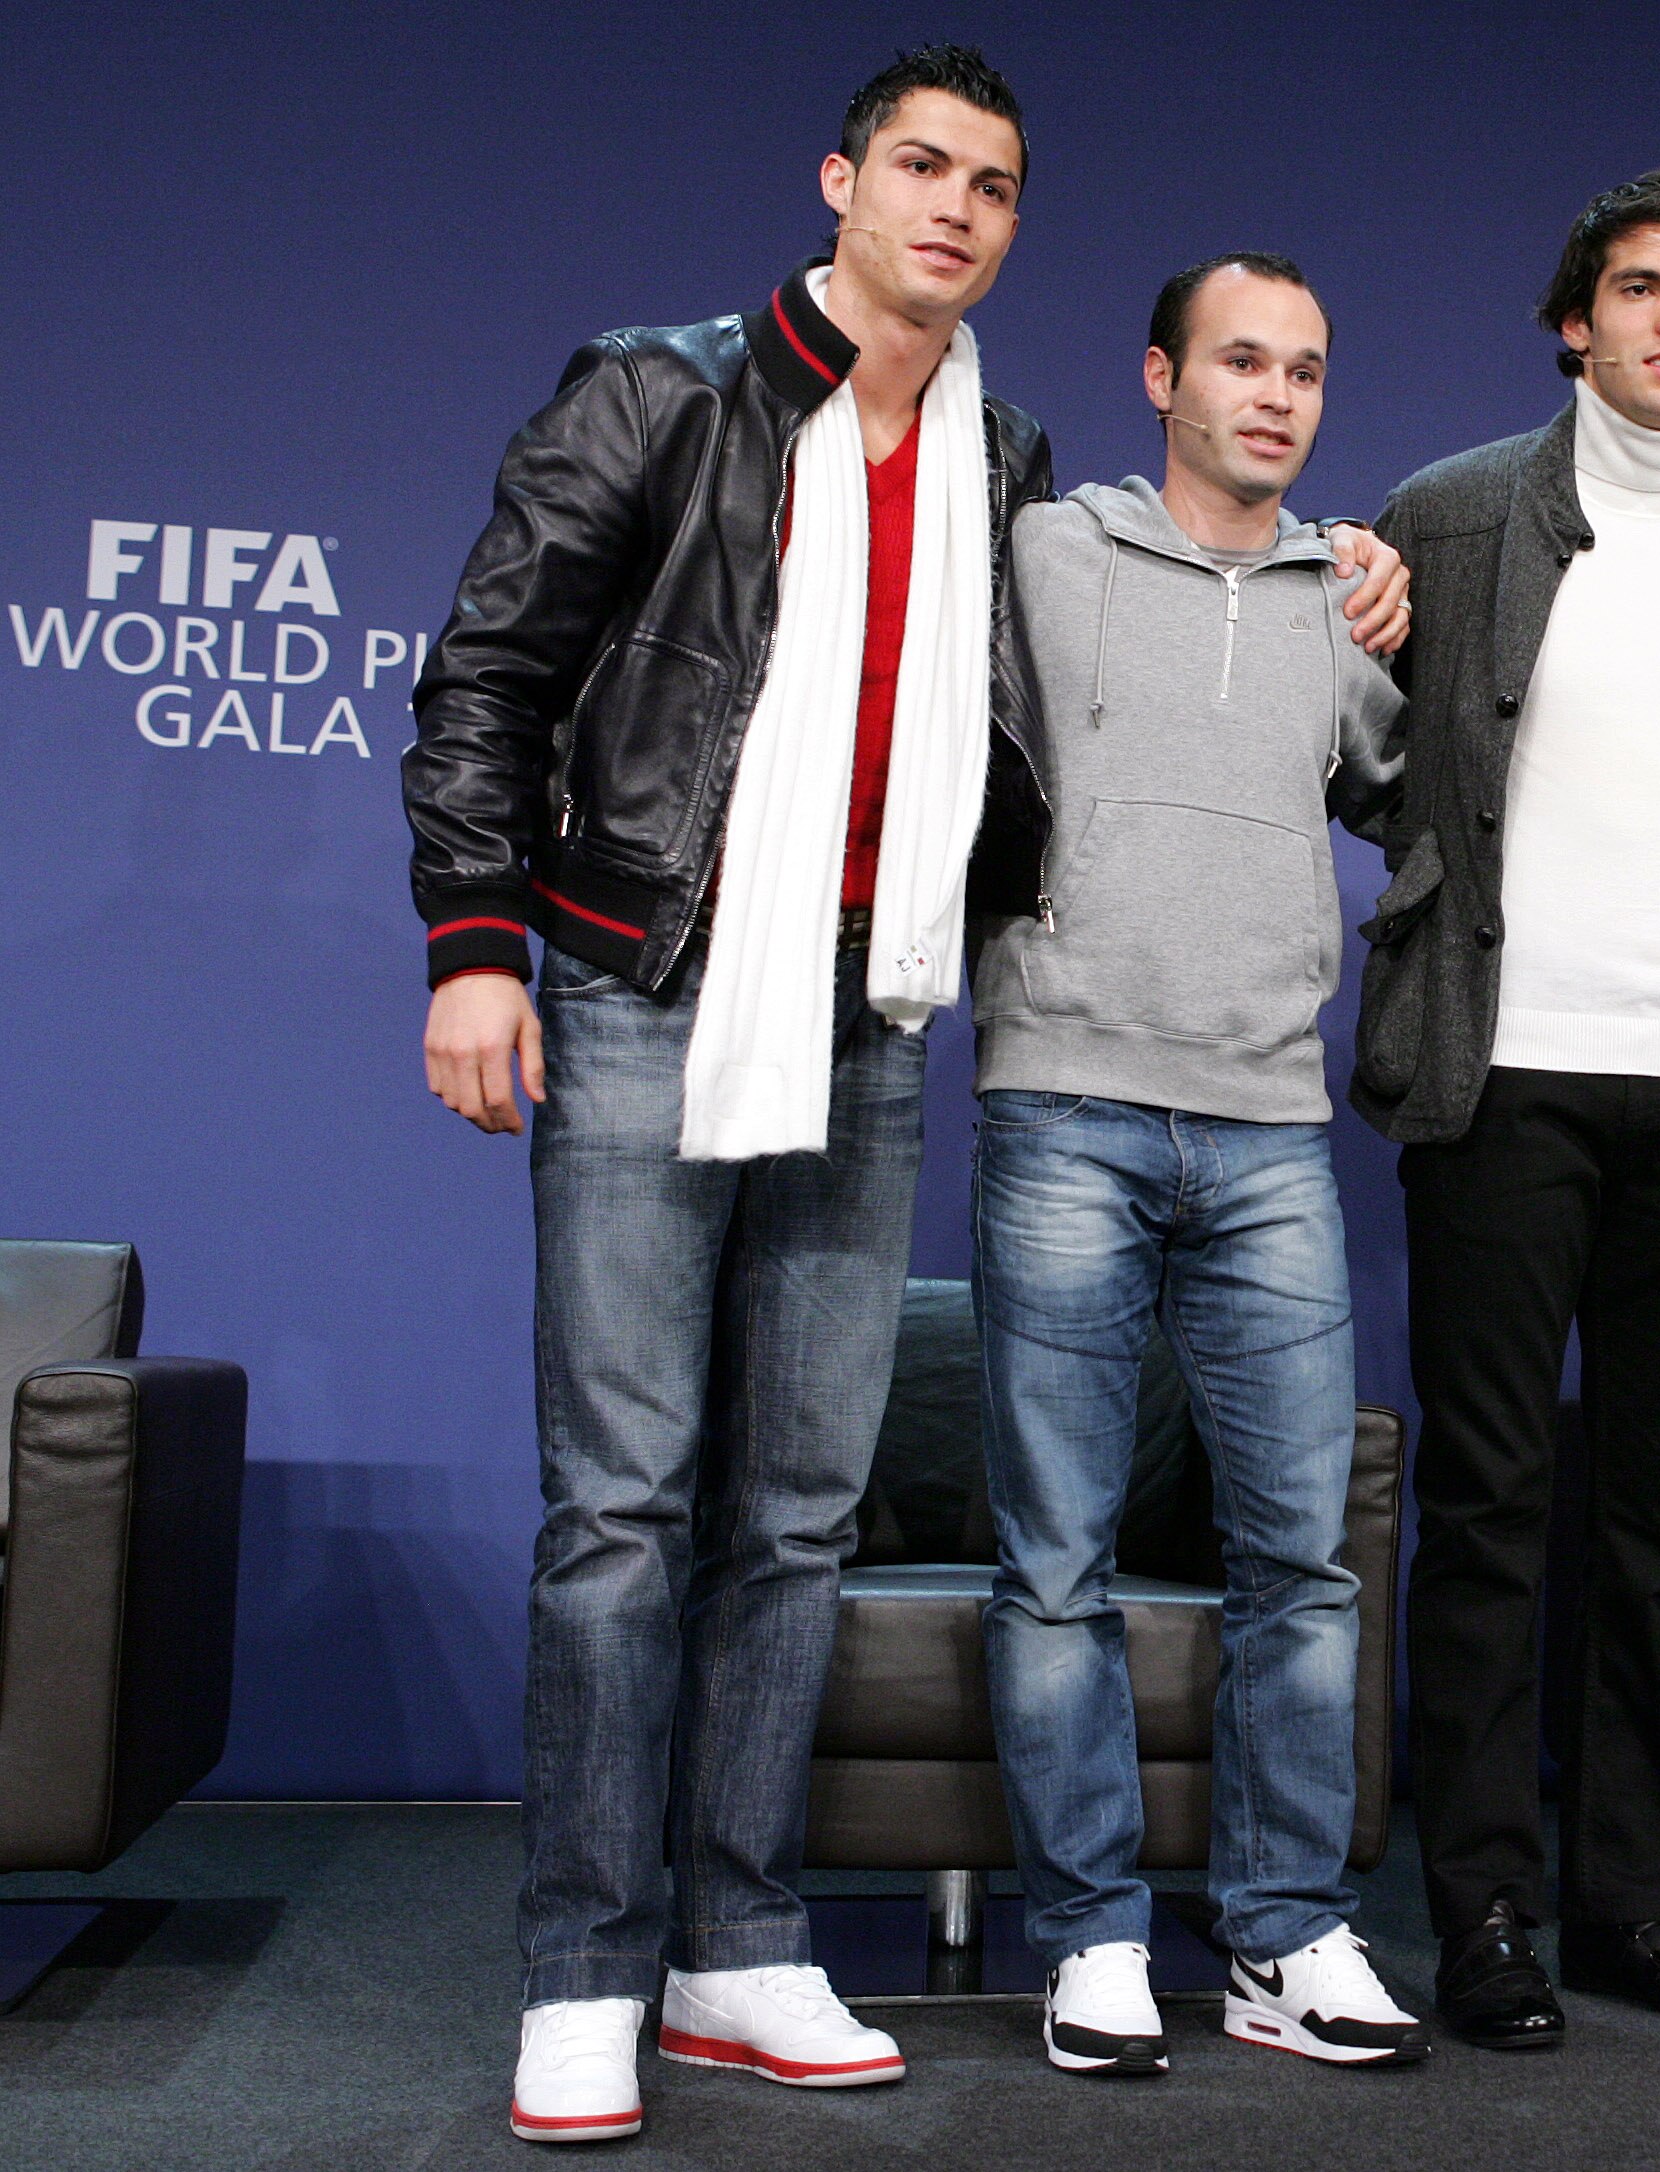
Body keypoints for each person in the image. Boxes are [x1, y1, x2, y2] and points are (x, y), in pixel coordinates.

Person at [404, 50, 1403, 2142]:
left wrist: (1361, 577)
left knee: (790, 1516)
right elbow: (493, 669)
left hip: (873, 1018)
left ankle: (737, 1947)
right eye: (922, 168)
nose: (954, 207)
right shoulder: (664, 389)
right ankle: (584, 1965)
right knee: (621, 1511)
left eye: (996, 185)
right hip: (634, 985)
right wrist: (475, 944)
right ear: (840, 180)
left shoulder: (1000, 452)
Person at [1351, 171, 1660, 2049]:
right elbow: (1366, 762)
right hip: (1507, 1073)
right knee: (1491, 1508)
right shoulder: (1456, 510)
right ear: (1577, 319)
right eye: (1641, 289)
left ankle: (1637, 1900)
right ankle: (1483, 1914)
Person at [964, 251, 1426, 2076]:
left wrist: (1388, 583)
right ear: (1163, 372)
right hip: (1062, 1097)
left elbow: (1411, 794)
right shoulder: (1046, 549)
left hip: (1269, 1128)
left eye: (1307, 369)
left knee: (1299, 1563)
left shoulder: (1342, 598)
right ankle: (1086, 1938)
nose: (1279, 394)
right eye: (1243, 359)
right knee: (1057, 1560)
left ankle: (1286, 1934)